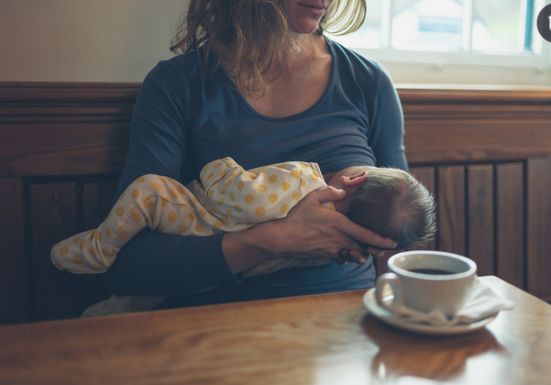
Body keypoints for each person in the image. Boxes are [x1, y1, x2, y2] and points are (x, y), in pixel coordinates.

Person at [102, 0, 409, 309]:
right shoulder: (177, 85)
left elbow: (401, 231)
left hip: (347, 323)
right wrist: (272, 241)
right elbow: (129, 266)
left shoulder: (368, 82)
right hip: (216, 328)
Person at [51, 157, 435, 276]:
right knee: (147, 296)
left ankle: (98, 248)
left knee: (149, 190)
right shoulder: (328, 249)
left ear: (353, 179)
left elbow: (234, 195)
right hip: (229, 277)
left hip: (194, 220)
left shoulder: (305, 179)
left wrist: (219, 166)